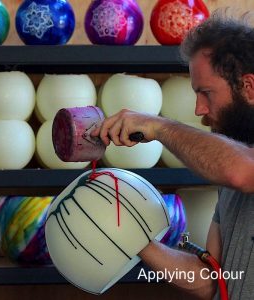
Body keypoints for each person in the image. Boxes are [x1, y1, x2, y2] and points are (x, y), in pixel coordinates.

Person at [91, 10, 254, 300]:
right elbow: (210, 280)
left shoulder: (239, 167)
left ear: (248, 87)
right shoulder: (232, 163)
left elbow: (242, 171)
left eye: (206, 93)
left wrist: (158, 125)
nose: (199, 109)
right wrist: (134, 237)